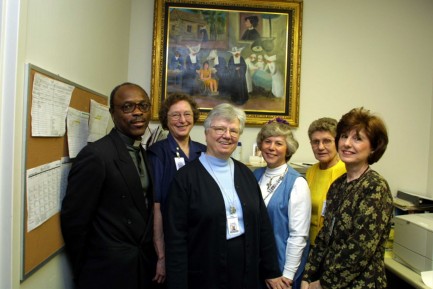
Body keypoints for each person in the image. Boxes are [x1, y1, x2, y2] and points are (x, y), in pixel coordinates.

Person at [164, 103, 287, 289]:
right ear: (206, 133)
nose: (227, 135)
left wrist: (271, 271)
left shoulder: (246, 173)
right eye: (220, 129)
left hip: (246, 272)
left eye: (233, 131)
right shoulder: (185, 179)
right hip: (205, 274)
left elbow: (263, 226)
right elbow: (176, 240)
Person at [61, 82, 160, 289]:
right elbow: (75, 221)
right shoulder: (96, 155)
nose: (138, 113)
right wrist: (85, 270)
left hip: (140, 266)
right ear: (112, 113)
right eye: (127, 107)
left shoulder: (141, 150)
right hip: (108, 271)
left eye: (143, 106)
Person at [301, 107, 392, 289]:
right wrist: (307, 276)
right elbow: (324, 237)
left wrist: (322, 284)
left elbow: (359, 250)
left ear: (374, 147)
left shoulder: (374, 187)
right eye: (343, 136)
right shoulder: (337, 185)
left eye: (357, 138)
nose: (347, 144)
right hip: (327, 279)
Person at [147, 92, 206, 285]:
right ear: (166, 119)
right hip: (173, 243)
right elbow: (156, 206)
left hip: (201, 240)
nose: (182, 120)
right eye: (175, 115)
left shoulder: (203, 151)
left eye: (187, 114)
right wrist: (161, 256)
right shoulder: (158, 153)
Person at [253, 118, 311, 289]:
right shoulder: (255, 175)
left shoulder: (297, 183)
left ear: (288, 149)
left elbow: (298, 236)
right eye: (267, 141)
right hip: (258, 264)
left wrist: (287, 275)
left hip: (282, 268)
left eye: (278, 143)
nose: (271, 147)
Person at [305, 117, 346, 246]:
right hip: (309, 245)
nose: (320, 147)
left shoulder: (346, 172)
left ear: (338, 142)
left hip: (332, 247)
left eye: (327, 141)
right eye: (315, 142)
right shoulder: (310, 171)